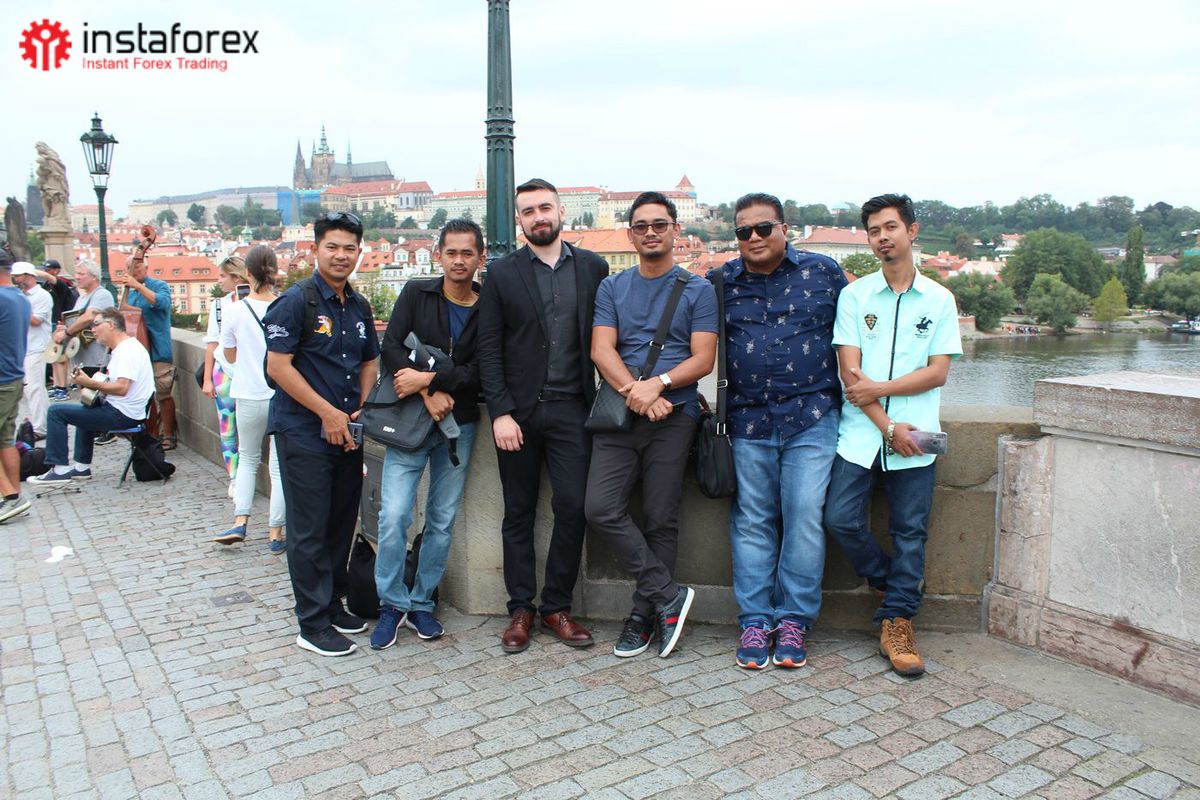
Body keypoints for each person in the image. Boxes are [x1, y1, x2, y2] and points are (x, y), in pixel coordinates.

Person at [824, 193, 962, 678]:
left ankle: (898, 622)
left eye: (890, 228)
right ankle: (894, 585)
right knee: (839, 519)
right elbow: (850, 374)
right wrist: (886, 425)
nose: (882, 237)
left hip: (918, 435)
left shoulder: (940, 300)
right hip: (861, 433)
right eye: (874, 231)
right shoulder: (854, 296)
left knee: (910, 532)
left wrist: (881, 391)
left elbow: (937, 372)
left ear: (911, 231)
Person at [711, 192, 851, 670]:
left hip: (812, 415)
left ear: (784, 229)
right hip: (747, 418)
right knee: (751, 520)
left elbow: (860, 333)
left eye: (763, 228)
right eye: (743, 231)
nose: (753, 237)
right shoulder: (720, 281)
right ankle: (754, 619)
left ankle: (793, 619)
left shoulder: (824, 272)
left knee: (804, 513)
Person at [477, 178, 609, 654]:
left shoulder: (593, 267)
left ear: (561, 212)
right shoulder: (502, 272)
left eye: (545, 208)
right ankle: (520, 609)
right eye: (529, 211)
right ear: (519, 221)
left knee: (572, 507)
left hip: (574, 409)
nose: (538, 217)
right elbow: (488, 348)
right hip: (519, 413)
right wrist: (500, 412)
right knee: (518, 512)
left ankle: (556, 606)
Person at [584, 192, 716, 659]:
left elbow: (703, 359)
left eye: (659, 224)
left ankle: (644, 615)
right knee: (599, 507)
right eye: (641, 226)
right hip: (622, 413)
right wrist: (636, 395)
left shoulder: (697, 289)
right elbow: (601, 350)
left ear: (675, 230)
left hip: (674, 414)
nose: (650, 232)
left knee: (661, 516)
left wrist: (657, 385)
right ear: (630, 234)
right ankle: (668, 593)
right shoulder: (613, 287)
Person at [264, 212, 379, 657]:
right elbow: (278, 367)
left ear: (359, 252)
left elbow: (369, 360)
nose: (341, 255)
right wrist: (328, 413)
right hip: (303, 431)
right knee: (309, 529)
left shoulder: (358, 305)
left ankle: (332, 605)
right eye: (332, 246)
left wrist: (361, 407)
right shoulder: (296, 301)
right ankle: (311, 623)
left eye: (349, 248)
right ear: (315, 250)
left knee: (339, 524)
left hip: (347, 431)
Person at [370, 218, 485, 649]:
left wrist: (431, 380)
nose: (459, 260)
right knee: (394, 515)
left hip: (460, 424)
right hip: (411, 422)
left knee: (441, 519)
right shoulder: (417, 293)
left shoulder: (488, 306)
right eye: (451, 252)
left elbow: (483, 372)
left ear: (480, 257)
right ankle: (391, 603)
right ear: (438, 255)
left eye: (467, 253)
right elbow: (391, 347)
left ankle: (421, 602)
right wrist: (427, 392)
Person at [28, 308, 153, 489]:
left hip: (124, 414)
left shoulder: (127, 351)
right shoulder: (125, 348)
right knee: (87, 405)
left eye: (96, 324)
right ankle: (81, 468)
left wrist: (89, 383)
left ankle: (60, 470)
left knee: (56, 411)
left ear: (110, 325)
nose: (92, 330)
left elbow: (122, 388)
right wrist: (91, 384)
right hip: (125, 410)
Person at [215, 247, 286, 552]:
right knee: (279, 466)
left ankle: (241, 520)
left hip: (248, 393)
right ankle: (275, 532)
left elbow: (229, 354)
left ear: (247, 273)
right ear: (274, 271)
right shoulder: (285, 306)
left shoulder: (234, 310)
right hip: (280, 393)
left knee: (247, 457)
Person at [123, 242, 177, 449]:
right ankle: (150, 434)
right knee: (144, 396)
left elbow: (162, 303)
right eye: (130, 267)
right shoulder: (130, 293)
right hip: (137, 351)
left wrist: (138, 286)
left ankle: (169, 434)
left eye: (137, 266)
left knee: (163, 393)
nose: (134, 270)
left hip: (157, 349)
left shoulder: (158, 285)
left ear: (145, 267)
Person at [203, 256, 249, 495]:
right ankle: (234, 478)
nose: (219, 281)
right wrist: (207, 379)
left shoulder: (255, 301)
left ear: (237, 278)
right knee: (227, 428)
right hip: (224, 371)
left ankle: (246, 476)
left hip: (249, 371)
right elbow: (213, 342)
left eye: (222, 276)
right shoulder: (219, 305)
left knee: (249, 428)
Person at [0, 251, 32, 523]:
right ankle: (14, 498)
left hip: (1, 379)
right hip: (13, 377)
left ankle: (11, 497)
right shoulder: (20, 298)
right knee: (6, 440)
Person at [12, 263, 52, 437]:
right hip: (23, 347)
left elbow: (36, 320)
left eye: (18, 276)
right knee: (27, 390)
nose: (15, 279)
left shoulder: (42, 295)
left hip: (36, 347)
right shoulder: (20, 295)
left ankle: (40, 428)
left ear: (28, 275)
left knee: (35, 388)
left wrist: (16, 307)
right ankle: (37, 422)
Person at [38, 259, 77, 401]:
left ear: (56, 270)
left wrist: (33, 272)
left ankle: (62, 388)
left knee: (61, 357)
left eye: (49, 270)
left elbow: (50, 278)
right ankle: (56, 385)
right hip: (53, 322)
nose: (46, 272)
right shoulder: (46, 286)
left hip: (62, 323)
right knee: (53, 357)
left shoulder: (61, 284)